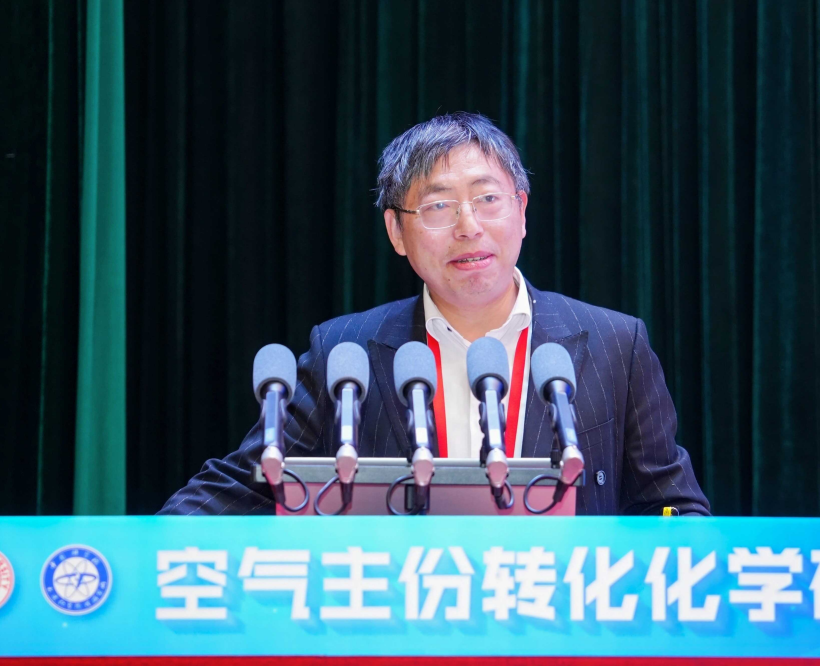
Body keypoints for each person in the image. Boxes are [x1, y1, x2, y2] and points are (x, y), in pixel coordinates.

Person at [159, 112, 710, 516]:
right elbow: (250, 483)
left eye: (487, 199)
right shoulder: (345, 352)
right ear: (397, 232)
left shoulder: (615, 344)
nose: (468, 226)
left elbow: (671, 504)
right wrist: (138, 551)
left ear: (522, 211)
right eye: (438, 206)